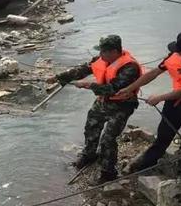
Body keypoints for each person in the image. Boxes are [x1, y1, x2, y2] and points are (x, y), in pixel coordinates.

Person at [47, 35, 143, 184]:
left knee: (108, 139)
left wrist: (88, 85)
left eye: (103, 52)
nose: (100, 55)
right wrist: (59, 77)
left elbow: (112, 89)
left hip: (122, 105)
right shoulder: (101, 59)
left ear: (114, 51)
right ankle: (89, 154)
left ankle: (108, 172)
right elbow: (83, 69)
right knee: (91, 126)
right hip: (102, 102)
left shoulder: (130, 67)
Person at [117, 31, 181, 175]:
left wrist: (159, 97)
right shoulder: (174, 56)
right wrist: (130, 88)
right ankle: (144, 166)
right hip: (174, 104)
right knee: (162, 138)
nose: (177, 54)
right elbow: (153, 73)